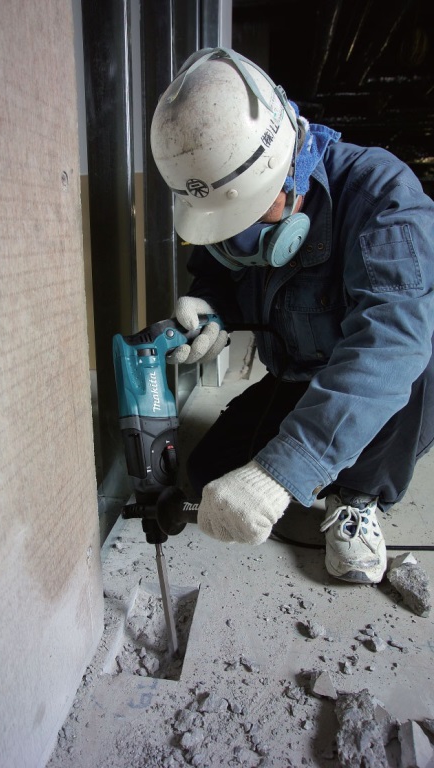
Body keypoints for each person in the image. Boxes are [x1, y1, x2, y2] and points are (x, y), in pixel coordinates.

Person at [149, 47, 434, 584]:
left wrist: (280, 473)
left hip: (388, 382)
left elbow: (390, 346)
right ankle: (323, 456)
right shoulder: (227, 205)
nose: (241, 241)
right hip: (298, 375)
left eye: (250, 216)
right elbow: (218, 276)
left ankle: (358, 496)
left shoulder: (381, 199)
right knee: (209, 477)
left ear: (291, 170)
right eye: (226, 226)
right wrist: (210, 308)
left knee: (418, 355)